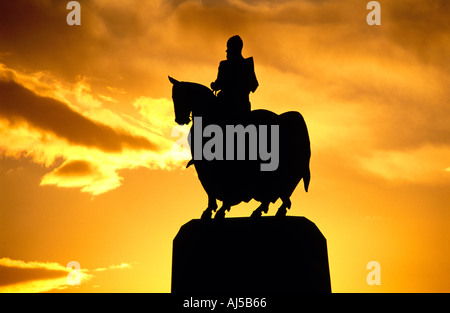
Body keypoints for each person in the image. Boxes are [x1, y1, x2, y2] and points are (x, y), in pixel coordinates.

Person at [211, 35, 258, 121]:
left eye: (228, 48)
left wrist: (214, 85)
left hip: (225, 106)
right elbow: (254, 86)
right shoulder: (247, 64)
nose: (227, 51)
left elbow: (218, 85)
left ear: (233, 49)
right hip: (243, 106)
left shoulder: (224, 65)